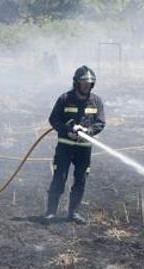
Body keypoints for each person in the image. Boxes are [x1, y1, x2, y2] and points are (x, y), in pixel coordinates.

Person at [44, 65, 105, 224]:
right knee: (59, 178)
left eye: (89, 83)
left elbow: (100, 123)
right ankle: (51, 212)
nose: (86, 85)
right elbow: (54, 119)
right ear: (76, 82)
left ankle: (73, 213)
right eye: (84, 82)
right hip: (65, 147)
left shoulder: (96, 101)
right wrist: (67, 130)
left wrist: (89, 131)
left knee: (80, 180)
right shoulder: (64, 99)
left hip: (84, 149)